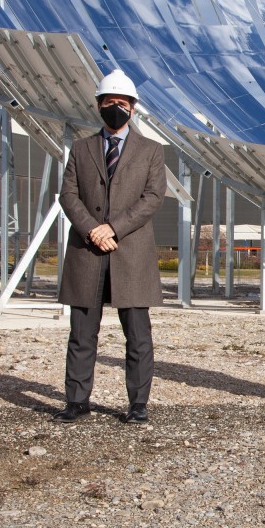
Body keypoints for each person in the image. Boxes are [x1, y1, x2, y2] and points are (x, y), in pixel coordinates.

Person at [52, 69, 166, 425]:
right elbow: (68, 194)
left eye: (122, 102)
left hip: (130, 254)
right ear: (99, 105)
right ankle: (76, 401)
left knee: (138, 336)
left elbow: (153, 197)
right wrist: (93, 230)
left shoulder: (151, 151)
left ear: (132, 107)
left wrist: (113, 228)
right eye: (109, 102)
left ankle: (138, 405)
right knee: (82, 334)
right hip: (88, 252)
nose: (116, 107)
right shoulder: (81, 148)